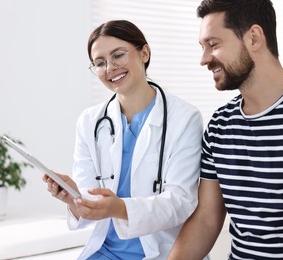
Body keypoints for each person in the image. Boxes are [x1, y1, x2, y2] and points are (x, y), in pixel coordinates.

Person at [168, 0, 283, 259]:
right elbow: (205, 221)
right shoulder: (220, 125)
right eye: (202, 47)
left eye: (213, 45)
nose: (204, 59)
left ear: (254, 37)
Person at [44, 19, 203, 259]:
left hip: (160, 252)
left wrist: (120, 208)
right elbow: (89, 200)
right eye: (99, 63)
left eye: (118, 55)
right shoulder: (89, 122)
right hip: (104, 251)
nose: (110, 68)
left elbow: (180, 202)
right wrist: (74, 198)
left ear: (144, 53)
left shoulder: (185, 118)